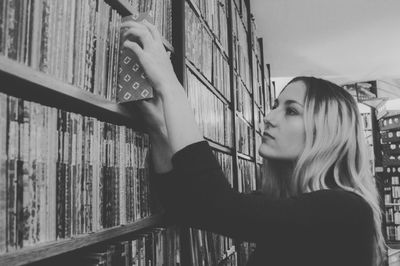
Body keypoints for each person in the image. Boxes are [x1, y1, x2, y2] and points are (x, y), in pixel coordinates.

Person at [121, 19, 385, 266]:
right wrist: (158, 129)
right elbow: (188, 208)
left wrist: (169, 84)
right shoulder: (288, 201)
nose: (269, 118)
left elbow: (215, 202)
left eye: (291, 111)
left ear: (328, 133)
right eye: (274, 106)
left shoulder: (347, 210)